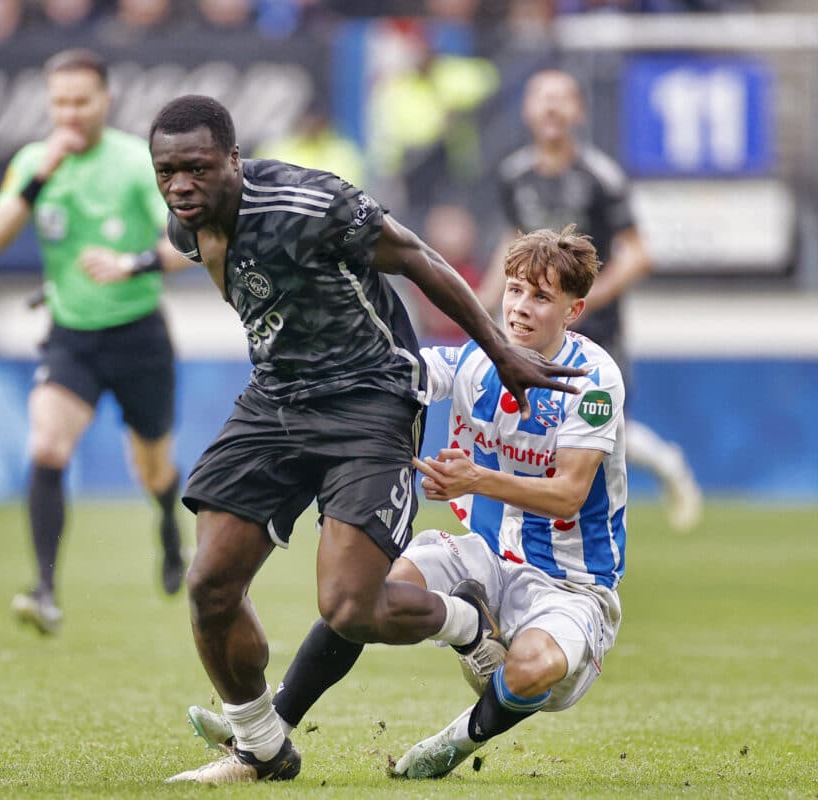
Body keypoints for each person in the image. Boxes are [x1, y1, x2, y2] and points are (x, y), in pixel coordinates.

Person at [148, 94, 587, 785]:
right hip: (276, 400)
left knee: (350, 608)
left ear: (233, 160)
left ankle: (465, 621)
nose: (180, 186)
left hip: (368, 400)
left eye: (197, 169)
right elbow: (206, 263)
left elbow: (416, 256)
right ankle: (261, 747)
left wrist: (501, 349)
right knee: (208, 586)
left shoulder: (308, 203)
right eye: (166, 171)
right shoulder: (186, 225)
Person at [184, 225, 627, 780]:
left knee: (532, 668)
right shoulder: (473, 361)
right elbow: (389, 370)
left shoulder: (593, 380)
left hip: (572, 583)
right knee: (361, 594)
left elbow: (568, 494)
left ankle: (456, 741)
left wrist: (475, 480)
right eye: (514, 290)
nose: (520, 307)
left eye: (541, 296)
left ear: (574, 308)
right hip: (486, 556)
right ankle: (272, 725)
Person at [0, 49, 192, 636]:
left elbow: (190, 242)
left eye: (81, 101)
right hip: (71, 336)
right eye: (60, 102)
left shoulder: (134, 162)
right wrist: (39, 173)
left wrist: (133, 263)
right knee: (47, 446)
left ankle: (169, 528)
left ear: (106, 101)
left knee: (152, 469)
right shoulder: (32, 162)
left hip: (139, 336)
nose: (69, 113)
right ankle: (45, 589)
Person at [479, 68, 701, 531]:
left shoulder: (600, 176)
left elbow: (638, 253)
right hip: (536, 324)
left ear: (578, 111)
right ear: (528, 110)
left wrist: (586, 300)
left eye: (562, 98)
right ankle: (527, 516)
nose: (552, 107)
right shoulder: (514, 175)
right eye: (543, 97)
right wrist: (481, 301)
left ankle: (664, 465)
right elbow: (512, 243)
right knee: (532, 416)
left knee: (603, 422)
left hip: (593, 326)